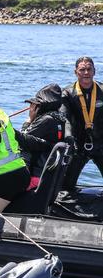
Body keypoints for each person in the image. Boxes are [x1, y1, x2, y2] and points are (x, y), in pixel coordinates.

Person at [60, 57, 103, 192]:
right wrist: (68, 135)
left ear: (94, 71)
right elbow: (64, 117)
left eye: (89, 69)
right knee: (66, 186)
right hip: (78, 145)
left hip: (100, 144)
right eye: (82, 70)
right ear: (76, 72)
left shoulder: (101, 90)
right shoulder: (67, 93)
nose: (86, 73)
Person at [19, 83, 65, 179]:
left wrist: (29, 120)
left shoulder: (47, 120)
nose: (32, 107)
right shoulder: (59, 118)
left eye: (35, 105)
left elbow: (22, 139)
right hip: (47, 170)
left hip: (36, 173)